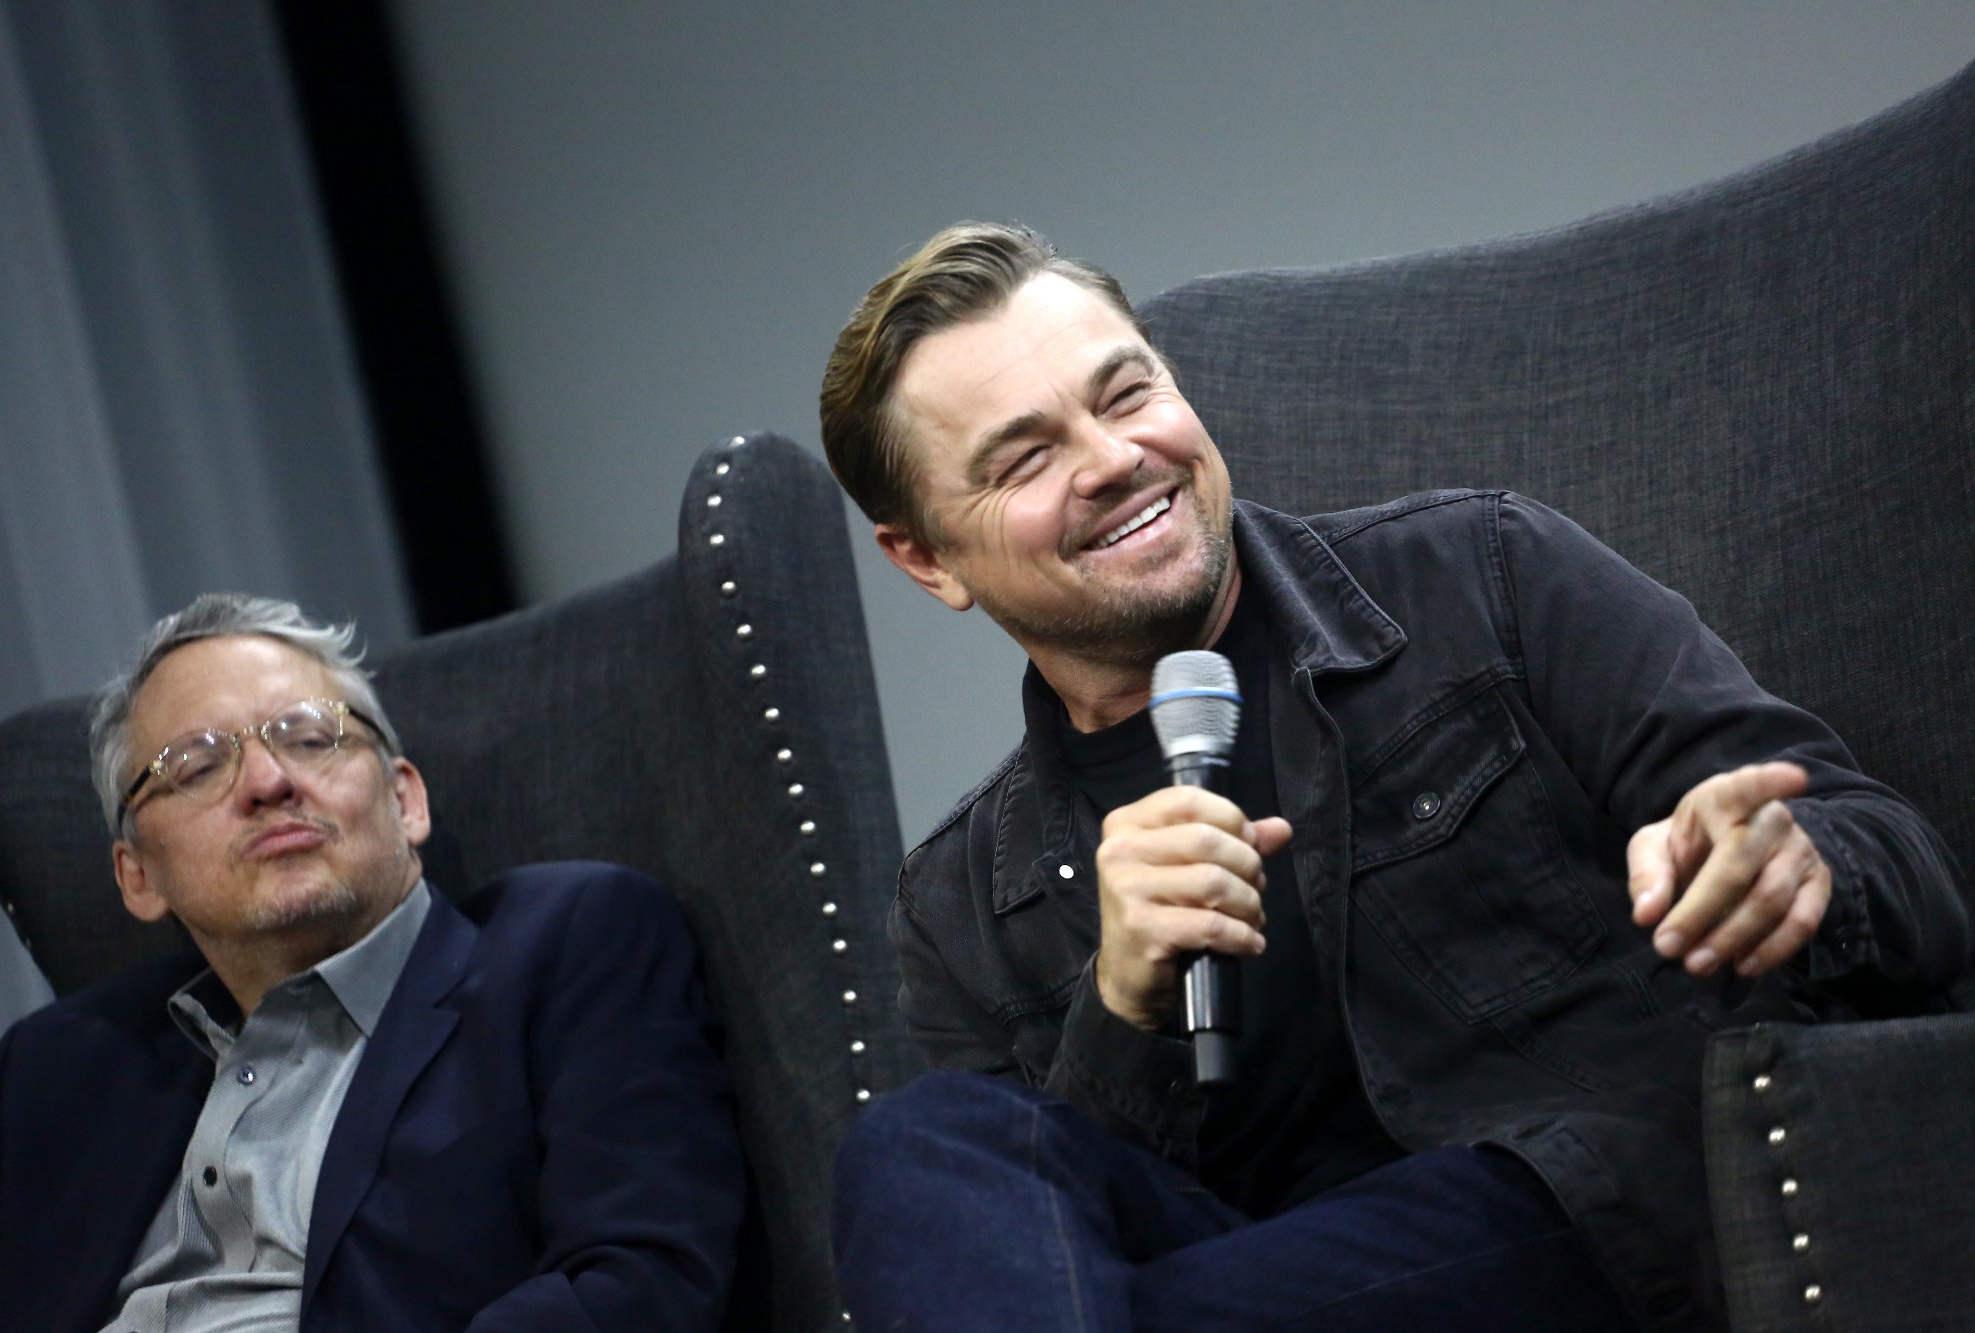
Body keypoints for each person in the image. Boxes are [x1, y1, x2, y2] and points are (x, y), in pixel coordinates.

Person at [817, 223, 1970, 1331]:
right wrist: (1122, 1010)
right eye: (1026, 458)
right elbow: (1030, 1263)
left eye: (1126, 395)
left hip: (1584, 1221)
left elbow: (1908, 868)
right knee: (919, 1138)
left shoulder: (1480, 574)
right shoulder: (960, 905)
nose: (1114, 459)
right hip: (1250, 1278)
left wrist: (1794, 867)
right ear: (925, 558)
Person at [0, 594, 744, 1332]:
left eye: (311, 737)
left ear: (406, 799)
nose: (269, 781)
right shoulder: (62, 1069)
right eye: (198, 766)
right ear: (138, 875)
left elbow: (638, 1278)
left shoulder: (568, 944)